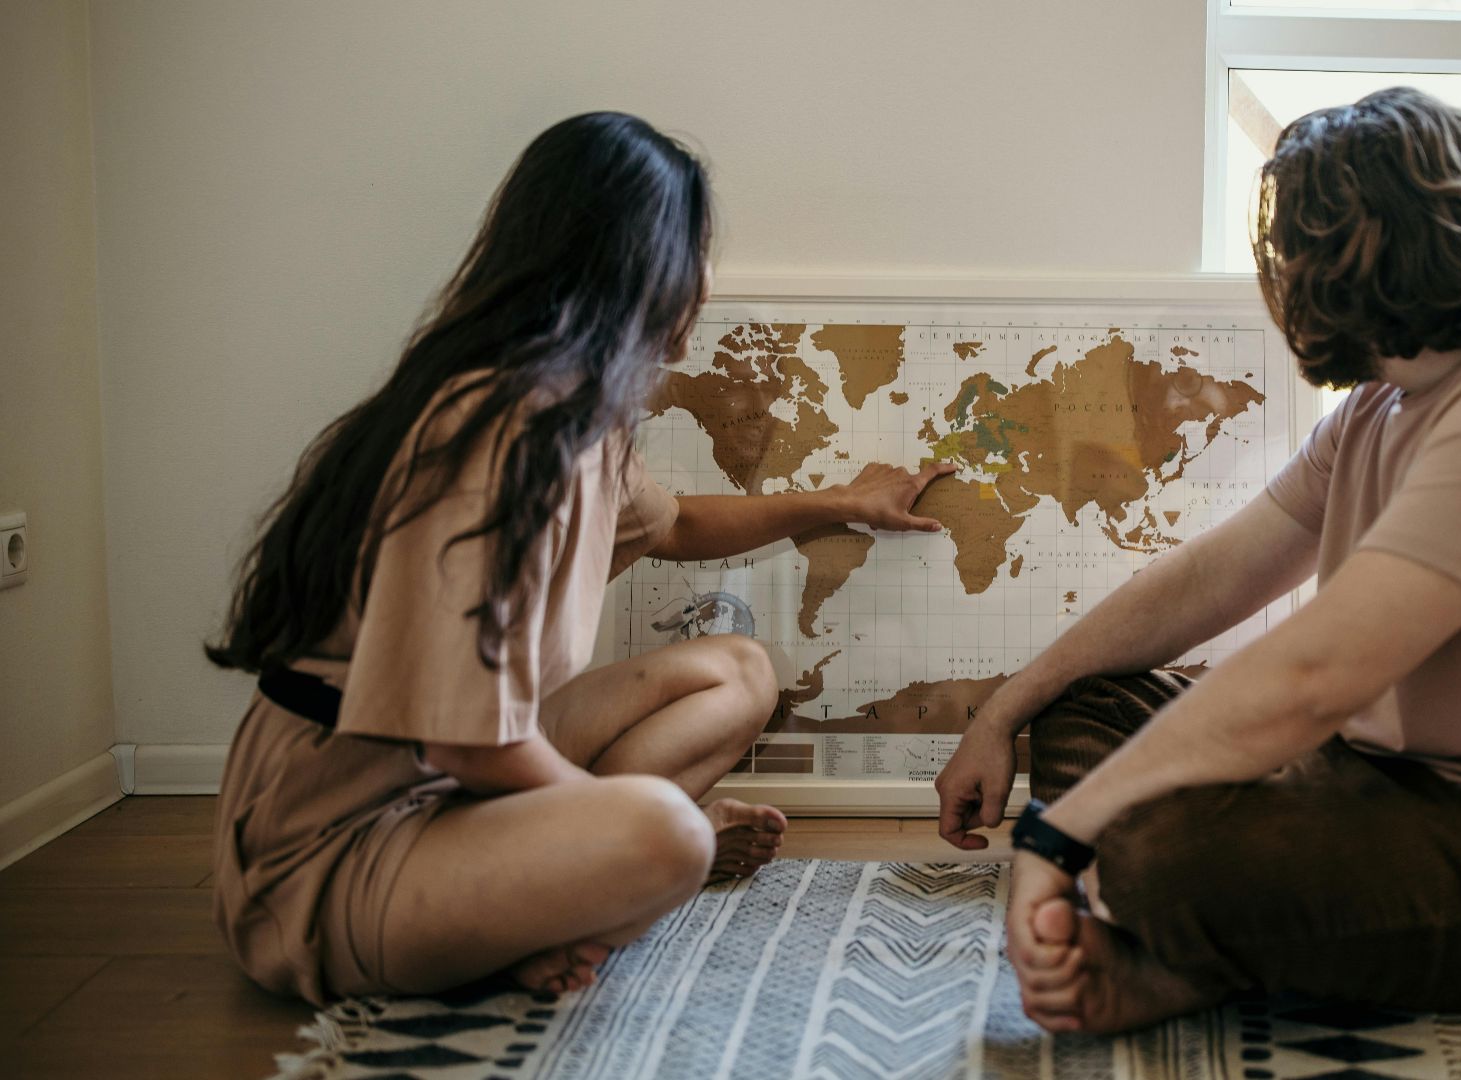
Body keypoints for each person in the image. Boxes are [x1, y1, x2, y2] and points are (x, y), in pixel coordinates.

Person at [935, 86, 1461, 1031]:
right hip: (1381, 778)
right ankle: (1200, 941)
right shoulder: (1383, 402)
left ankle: (1183, 958)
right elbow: (1206, 580)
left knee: (1158, 849)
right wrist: (1008, 708)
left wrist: (1055, 835)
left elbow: (1314, 675)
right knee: (1090, 707)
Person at [206, 112, 956, 1006]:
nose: (705, 282)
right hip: (340, 843)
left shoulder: (575, 414)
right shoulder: (495, 430)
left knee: (742, 669)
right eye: (695, 254)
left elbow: (674, 526)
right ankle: (560, 897)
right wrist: (647, 825)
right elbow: (463, 737)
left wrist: (841, 503)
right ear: (642, 268)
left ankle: (550, 890)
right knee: (671, 840)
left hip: (451, 781)